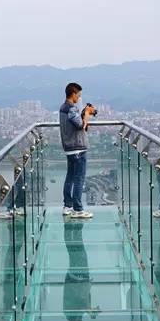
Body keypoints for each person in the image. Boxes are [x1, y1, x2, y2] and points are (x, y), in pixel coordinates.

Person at [59, 82, 95, 219]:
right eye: (78, 95)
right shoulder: (71, 108)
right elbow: (80, 125)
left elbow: (72, 123)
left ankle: (67, 206)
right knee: (79, 179)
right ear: (73, 94)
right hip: (78, 148)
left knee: (70, 178)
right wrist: (86, 114)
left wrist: (83, 113)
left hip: (69, 148)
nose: (79, 98)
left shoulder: (63, 108)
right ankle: (78, 209)